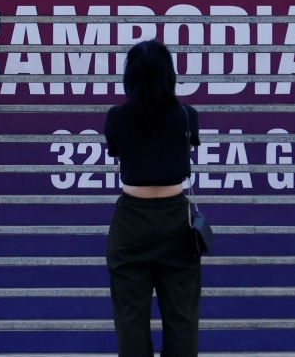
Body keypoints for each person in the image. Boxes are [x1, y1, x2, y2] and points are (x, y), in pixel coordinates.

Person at [104, 40, 201, 357]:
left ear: (130, 77)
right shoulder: (186, 115)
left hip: (132, 219)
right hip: (176, 218)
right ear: (169, 75)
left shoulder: (116, 117)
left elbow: (120, 155)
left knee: (130, 319)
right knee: (182, 318)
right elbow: (182, 152)